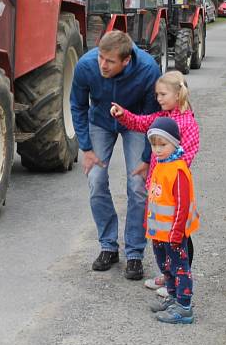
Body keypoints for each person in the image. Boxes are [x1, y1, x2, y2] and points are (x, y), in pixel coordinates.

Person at [70, 30, 162, 280]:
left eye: (109, 61)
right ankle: (108, 246)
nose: (102, 64)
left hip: (136, 122)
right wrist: (86, 148)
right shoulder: (86, 66)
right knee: (96, 180)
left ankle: (134, 253)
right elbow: (78, 106)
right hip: (100, 121)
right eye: (100, 57)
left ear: (126, 60)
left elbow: (153, 118)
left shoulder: (148, 70)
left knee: (138, 185)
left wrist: (146, 158)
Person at [110, 70, 200, 291]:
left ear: (178, 95)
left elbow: (187, 154)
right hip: (158, 190)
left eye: (162, 94)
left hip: (173, 193)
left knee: (178, 241)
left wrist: (166, 167)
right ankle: (168, 276)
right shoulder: (163, 118)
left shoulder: (187, 123)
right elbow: (142, 123)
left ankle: (179, 281)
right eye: (157, 94)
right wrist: (123, 115)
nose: (158, 99)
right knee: (162, 240)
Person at [141, 117, 199, 324]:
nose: (157, 150)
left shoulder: (178, 170)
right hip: (159, 232)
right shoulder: (160, 164)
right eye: (153, 144)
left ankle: (184, 307)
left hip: (174, 233)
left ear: (175, 142)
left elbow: (182, 205)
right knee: (165, 266)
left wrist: (176, 232)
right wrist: (148, 221)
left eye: (162, 144)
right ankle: (173, 297)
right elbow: (154, 196)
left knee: (179, 267)